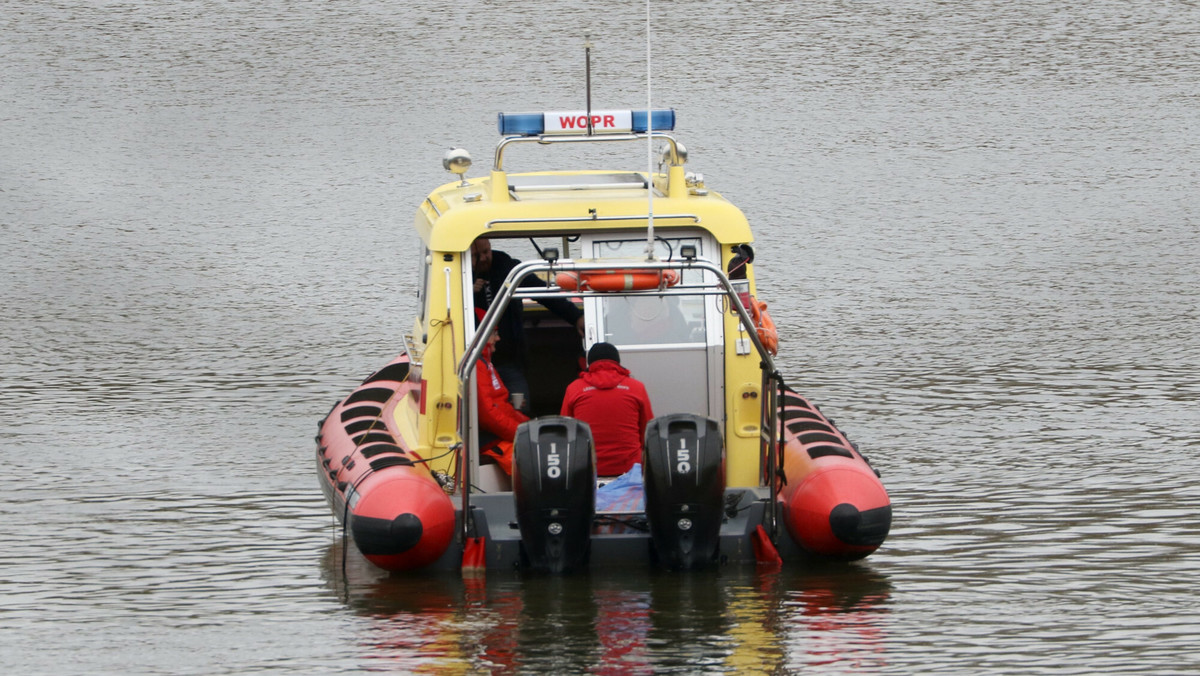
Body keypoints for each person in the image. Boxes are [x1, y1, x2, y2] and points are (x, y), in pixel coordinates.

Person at [471, 237, 584, 410]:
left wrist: (576, 316)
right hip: (475, 362)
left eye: (486, 252)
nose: (484, 258)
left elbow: (544, 293)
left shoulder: (509, 268)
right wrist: (470, 292)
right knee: (481, 411)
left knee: (521, 408)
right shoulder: (459, 277)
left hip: (509, 360)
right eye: (476, 255)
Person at [560, 342, 654, 476]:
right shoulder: (636, 388)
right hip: (631, 470)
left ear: (589, 364)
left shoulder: (574, 389)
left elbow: (566, 433)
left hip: (587, 470)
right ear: (618, 363)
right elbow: (649, 433)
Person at [475, 309, 528, 475]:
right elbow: (488, 415)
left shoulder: (484, 363)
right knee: (533, 466)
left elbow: (500, 405)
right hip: (491, 441)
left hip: (500, 436)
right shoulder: (477, 365)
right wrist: (522, 434)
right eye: (494, 333)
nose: (498, 338)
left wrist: (528, 426)